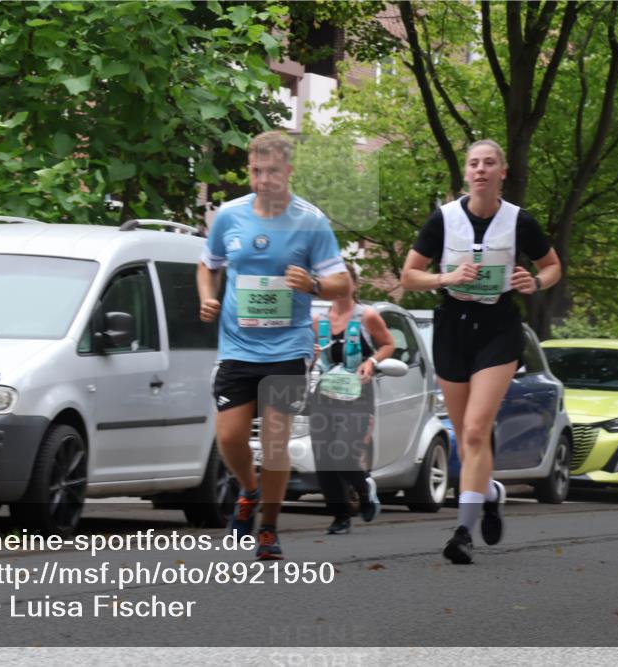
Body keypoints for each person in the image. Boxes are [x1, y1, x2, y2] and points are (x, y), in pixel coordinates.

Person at [400, 139, 562, 564]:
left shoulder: (519, 221)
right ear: (466, 174)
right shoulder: (444, 219)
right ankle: (489, 493)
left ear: (502, 173)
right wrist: (447, 277)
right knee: (466, 437)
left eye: (490, 163)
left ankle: (462, 532)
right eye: (474, 163)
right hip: (453, 328)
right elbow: (409, 275)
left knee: (475, 430)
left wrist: (537, 282)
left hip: (498, 329)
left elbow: (552, 265)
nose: (481, 170)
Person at [198, 130, 350, 560]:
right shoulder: (228, 216)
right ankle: (249, 491)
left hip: (288, 347)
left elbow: (342, 283)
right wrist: (207, 297)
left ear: (289, 172)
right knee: (229, 437)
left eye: (272, 172)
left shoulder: (311, 221)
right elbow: (207, 266)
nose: (263, 180)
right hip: (237, 346)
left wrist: (315, 282)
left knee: (277, 441)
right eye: (256, 171)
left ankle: (268, 526)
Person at [310, 263, 395, 535]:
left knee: (343, 452)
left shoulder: (367, 316)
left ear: (354, 286)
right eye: (332, 282)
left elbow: (388, 344)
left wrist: (371, 361)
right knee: (324, 459)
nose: (338, 288)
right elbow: (309, 356)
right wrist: (310, 354)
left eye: (343, 281)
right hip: (325, 393)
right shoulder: (318, 321)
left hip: (357, 394)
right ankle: (340, 516)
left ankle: (363, 487)